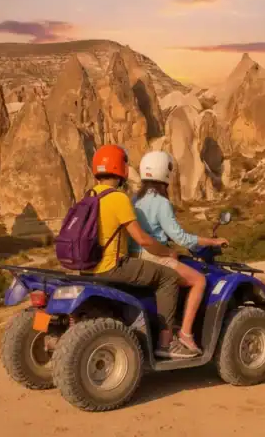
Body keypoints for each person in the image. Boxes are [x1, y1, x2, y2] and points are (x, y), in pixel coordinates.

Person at [88, 144, 199, 359]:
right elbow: (141, 239)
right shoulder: (119, 198)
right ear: (120, 169)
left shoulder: (91, 195)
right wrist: (167, 253)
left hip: (90, 264)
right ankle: (166, 343)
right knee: (168, 277)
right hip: (113, 265)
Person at [129, 151, 229, 355]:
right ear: (164, 173)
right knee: (199, 280)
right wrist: (211, 241)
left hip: (134, 256)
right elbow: (180, 238)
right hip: (154, 256)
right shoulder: (161, 202)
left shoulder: (134, 199)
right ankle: (185, 334)